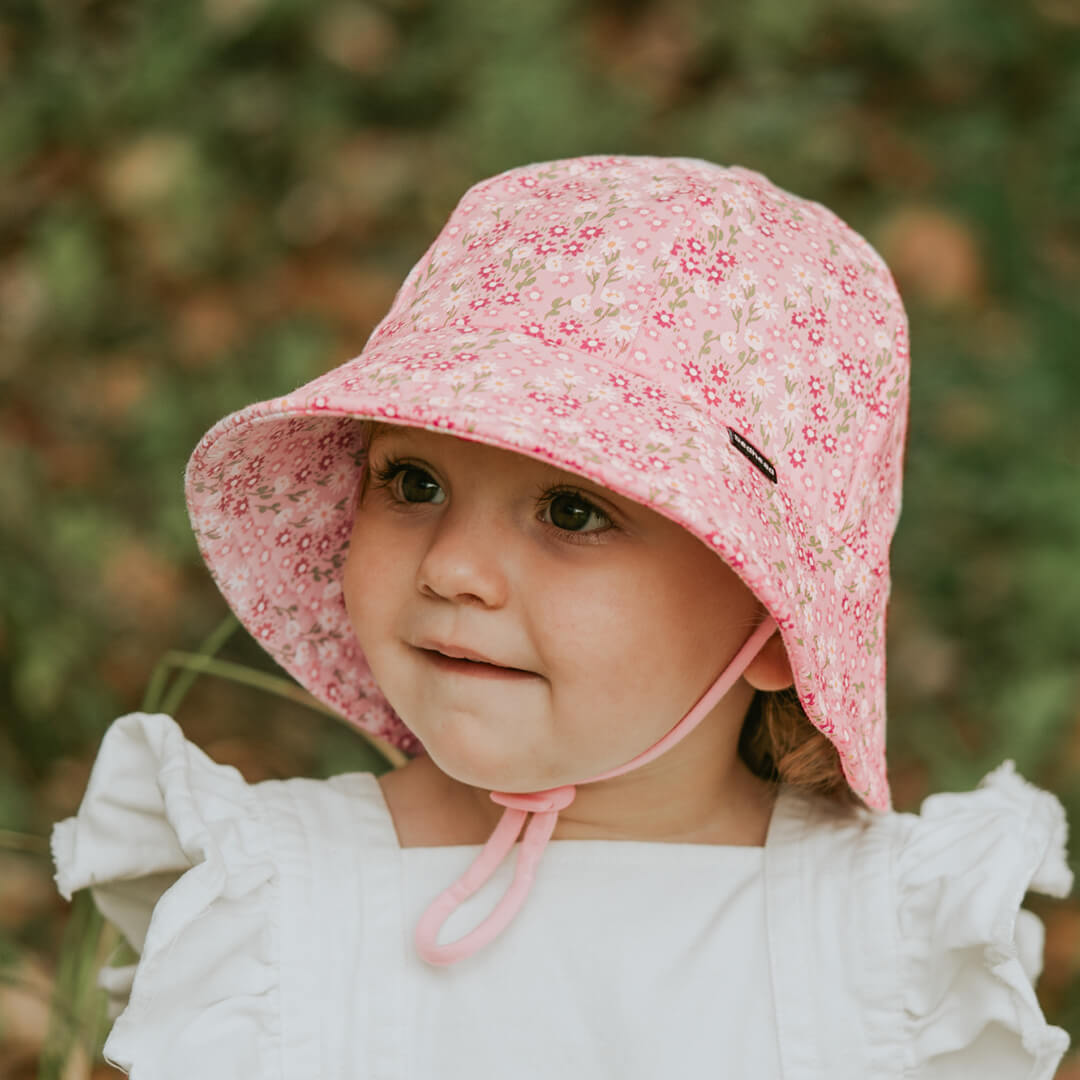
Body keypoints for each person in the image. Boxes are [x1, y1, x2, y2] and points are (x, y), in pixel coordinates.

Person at [52, 156, 1072, 1077]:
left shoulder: (885, 941)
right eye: (411, 481)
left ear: (773, 623)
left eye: (573, 512)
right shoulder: (279, 902)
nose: (452, 567)